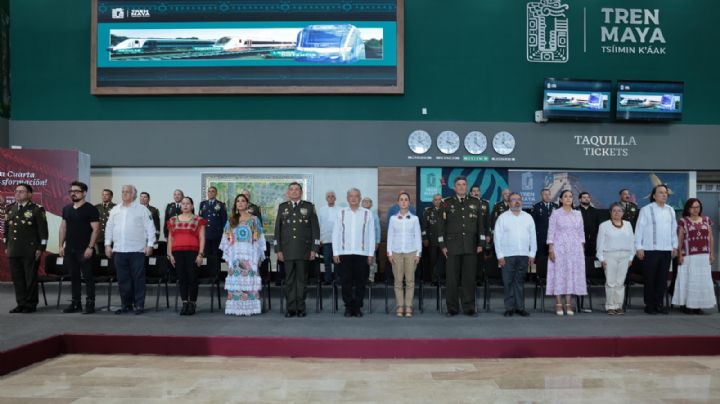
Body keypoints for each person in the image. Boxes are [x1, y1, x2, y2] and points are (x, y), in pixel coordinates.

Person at [105, 185, 156, 315]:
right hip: (119, 250)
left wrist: (150, 244)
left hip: (137, 250)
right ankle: (126, 304)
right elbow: (109, 228)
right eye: (123, 191)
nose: (124, 194)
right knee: (123, 279)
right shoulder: (115, 209)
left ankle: (139, 305)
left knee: (138, 279)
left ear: (134, 194)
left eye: (127, 192)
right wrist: (107, 245)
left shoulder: (142, 209)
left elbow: (150, 228)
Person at [438, 176, 484, 316]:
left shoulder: (476, 202)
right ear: (454, 187)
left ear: (467, 186)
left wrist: (481, 243)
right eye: (459, 184)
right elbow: (441, 226)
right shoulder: (446, 203)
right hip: (452, 246)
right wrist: (442, 244)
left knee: (469, 278)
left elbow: (480, 226)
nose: (462, 187)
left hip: (470, 246)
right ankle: (452, 308)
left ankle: (469, 307)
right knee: (452, 279)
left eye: (464, 184)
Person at [274, 182, 320, 317]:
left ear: (301, 192)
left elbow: (315, 230)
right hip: (286, 250)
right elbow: (278, 230)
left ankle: (300, 307)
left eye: (297, 189)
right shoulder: (283, 208)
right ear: (288, 193)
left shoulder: (309, 207)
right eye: (291, 189)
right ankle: (291, 308)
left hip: (304, 250)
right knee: (289, 281)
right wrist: (278, 249)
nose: (294, 192)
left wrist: (314, 249)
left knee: (301, 281)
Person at [3, 183, 48, 314]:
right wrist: (7, 246)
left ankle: (30, 304)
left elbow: (43, 233)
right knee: (17, 279)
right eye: (16, 191)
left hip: (31, 250)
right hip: (13, 250)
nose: (17, 193)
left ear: (29, 194)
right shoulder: (10, 208)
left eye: (21, 191)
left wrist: (41, 248)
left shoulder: (37, 209)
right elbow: (6, 231)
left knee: (30, 278)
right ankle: (20, 303)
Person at [635, 184, 678, 315]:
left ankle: (659, 304)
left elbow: (673, 231)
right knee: (650, 279)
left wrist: (674, 246)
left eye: (665, 193)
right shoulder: (646, 210)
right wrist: (639, 247)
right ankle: (649, 305)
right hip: (650, 250)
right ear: (654, 195)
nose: (664, 195)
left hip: (666, 251)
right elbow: (639, 230)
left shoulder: (671, 210)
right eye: (661, 192)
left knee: (662, 279)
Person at [332, 188, 376, 317]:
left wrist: (370, 254)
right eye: (351, 196)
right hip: (344, 253)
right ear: (347, 198)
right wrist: (336, 252)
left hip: (362, 254)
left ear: (360, 198)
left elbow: (371, 235)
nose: (353, 198)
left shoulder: (368, 213)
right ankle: (348, 306)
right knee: (346, 282)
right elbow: (336, 233)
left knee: (360, 282)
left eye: (356, 196)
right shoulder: (341, 213)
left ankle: (357, 307)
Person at [220, 194, 265, 316]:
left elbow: (259, 239)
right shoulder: (231, 220)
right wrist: (227, 255)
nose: (240, 203)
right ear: (235, 204)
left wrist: (259, 255)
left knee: (249, 280)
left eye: (243, 201)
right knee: (236, 281)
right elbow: (226, 238)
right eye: (238, 201)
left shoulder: (254, 220)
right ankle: (236, 307)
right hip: (235, 255)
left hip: (250, 255)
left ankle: (250, 307)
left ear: (247, 204)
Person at [59, 181, 100, 314]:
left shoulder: (91, 209)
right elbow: (63, 227)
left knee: (88, 277)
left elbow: (96, 229)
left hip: (85, 249)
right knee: (74, 277)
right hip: (70, 249)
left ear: (84, 193)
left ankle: (90, 303)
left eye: (76, 191)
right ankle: (76, 303)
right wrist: (61, 245)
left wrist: (90, 247)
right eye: (71, 191)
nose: (73, 193)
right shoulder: (66, 209)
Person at [494, 192, 536, 317]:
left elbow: (533, 237)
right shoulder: (502, 217)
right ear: (509, 202)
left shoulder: (528, 217)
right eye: (513, 200)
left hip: (523, 255)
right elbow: (497, 237)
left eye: (519, 199)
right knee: (507, 282)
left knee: (519, 282)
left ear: (521, 201)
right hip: (507, 255)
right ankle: (509, 308)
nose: (516, 202)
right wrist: (499, 256)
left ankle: (520, 307)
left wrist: (532, 253)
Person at [546, 190, 586, 316]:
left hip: (575, 249)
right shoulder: (556, 213)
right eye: (565, 196)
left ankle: (568, 303)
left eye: (570, 196)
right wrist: (551, 248)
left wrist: (582, 248)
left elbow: (581, 233)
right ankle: (558, 303)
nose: (568, 198)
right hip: (559, 248)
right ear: (561, 199)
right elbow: (550, 232)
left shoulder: (577, 214)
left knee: (570, 275)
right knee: (559, 274)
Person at [672, 198, 715, 314]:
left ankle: (698, 306)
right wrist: (680, 255)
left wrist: (712, 253)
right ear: (688, 209)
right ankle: (687, 305)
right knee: (688, 280)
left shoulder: (706, 220)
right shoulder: (683, 221)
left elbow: (710, 238)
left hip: (703, 256)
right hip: (689, 257)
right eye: (693, 207)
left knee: (701, 281)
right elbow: (680, 239)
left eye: (698, 207)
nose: (696, 209)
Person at [167, 196, 206, 316]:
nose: (185, 205)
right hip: (177, 253)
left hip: (193, 252)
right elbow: (170, 238)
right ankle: (184, 303)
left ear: (192, 206)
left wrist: (200, 254)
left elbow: (202, 238)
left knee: (192, 278)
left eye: (188, 203)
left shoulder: (199, 220)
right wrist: (169, 254)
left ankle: (192, 303)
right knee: (182, 279)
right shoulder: (173, 220)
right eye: (183, 203)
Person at [386, 192, 422, 318]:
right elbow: (390, 235)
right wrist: (389, 253)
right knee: (398, 281)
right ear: (398, 202)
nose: (403, 202)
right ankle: (400, 306)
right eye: (401, 199)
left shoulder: (414, 219)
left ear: (409, 203)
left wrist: (418, 253)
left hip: (411, 252)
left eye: (406, 199)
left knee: (410, 281)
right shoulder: (393, 218)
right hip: (396, 253)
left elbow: (418, 236)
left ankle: (408, 306)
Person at [596, 203, 635, 315]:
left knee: (620, 282)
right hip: (609, 255)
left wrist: (631, 257)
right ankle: (610, 306)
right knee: (610, 282)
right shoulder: (604, 225)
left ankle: (618, 306)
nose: (617, 213)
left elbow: (632, 241)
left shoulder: (628, 224)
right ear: (610, 212)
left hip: (625, 256)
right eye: (614, 210)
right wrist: (601, 258)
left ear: (623, 213)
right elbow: (600, 243)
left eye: (619, 210)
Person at [199, 186, 227, 281]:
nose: (211, 193)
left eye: (213, 191)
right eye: (209, 191)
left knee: (216, 256)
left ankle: (216, 275)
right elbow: (200, 219)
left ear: (216, 193)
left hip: (216, 235)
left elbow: (224, 221)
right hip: (206, 235)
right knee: (206, 255)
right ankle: (207, 275)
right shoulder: (203, 204)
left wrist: (224, 235)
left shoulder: (221, 205)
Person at [531, 188, 557, 279]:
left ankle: (552, 277)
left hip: (554, 238)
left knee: (552, 257)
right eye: (545, 194)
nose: (547, 196)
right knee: (541, 258)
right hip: (541, 237)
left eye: (548, 194)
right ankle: (540, 277)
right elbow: (533, 223)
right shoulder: (536, 207)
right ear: (541, 196)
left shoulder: (556, 206)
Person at [422, 194, 445, 285]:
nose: (438, 201)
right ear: (433, 201)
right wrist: (425, 238)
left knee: (443, 261)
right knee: (433, 261)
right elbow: (424, 227)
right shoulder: (428, 212)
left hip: (444, 242)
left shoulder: (446, 212)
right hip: (433, 241)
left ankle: (442, 279)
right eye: (436, 200)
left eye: (439, 199)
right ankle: (434, 279)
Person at [470, 185, 490, 284]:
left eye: (478, 191)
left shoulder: (485, 204)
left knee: (480, 258)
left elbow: (487, 221)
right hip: (470, 236)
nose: (476, 193)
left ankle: (479, 278)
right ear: (470, 193)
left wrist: (488, 234)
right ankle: (469, 278)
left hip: (481, 236)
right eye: (474, 191)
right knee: (470, 259)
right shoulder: (467, 203)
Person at [317, 190, 339, 284]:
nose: (330, 198)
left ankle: (338, 279)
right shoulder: (321, 210)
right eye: (329, 196)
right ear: (326, 199)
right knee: (327, 261)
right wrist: (319, 239)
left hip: (337, 241)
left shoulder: (340, 210)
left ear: (335, 198)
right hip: (325, 240)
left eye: (332, 196)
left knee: (338, 261)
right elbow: (318, 225)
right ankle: (328, 280)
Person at [362, 197, 381, 283]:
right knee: (361, 261)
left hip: (371, 243)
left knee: (371, 261)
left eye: (367, 201)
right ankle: (362, 278)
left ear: (371, 204)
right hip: (361, 244)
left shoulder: (374, 215)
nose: (365, 203)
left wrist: (377, 241)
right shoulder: (359, 214)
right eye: (364, 201)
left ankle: (371, 278)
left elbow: (377, 229)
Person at [576, 192, 600, 258]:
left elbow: (598, 225)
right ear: (580, 199)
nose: (587, 199)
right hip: (578, 241)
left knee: (591, 261)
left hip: (592, 241)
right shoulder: (575, 210)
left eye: (588, 197)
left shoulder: (595, 211)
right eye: (584, 197)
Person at [95, 189, 115, 255]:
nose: (104, 196)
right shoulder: (96, 207)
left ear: (111, 196)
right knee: (100, 256)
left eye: (106, 195)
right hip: (99, 237)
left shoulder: (115, 207)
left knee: (111, 257)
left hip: (112, 238)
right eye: (103, 195)